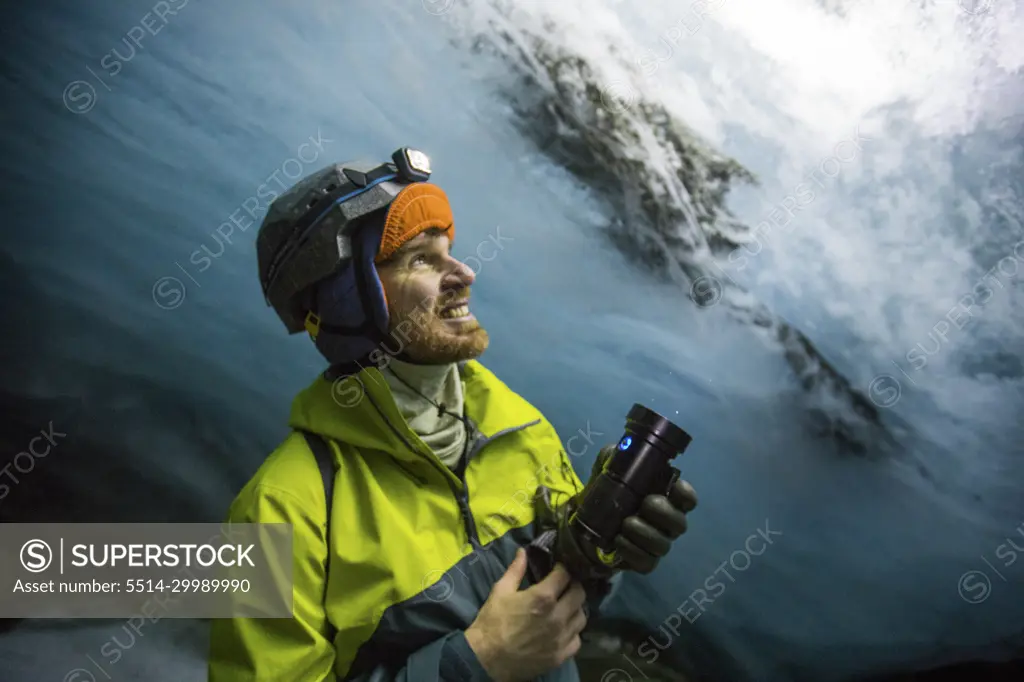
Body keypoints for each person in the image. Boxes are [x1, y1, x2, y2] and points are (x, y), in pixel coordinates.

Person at [207, 148, 698, 681]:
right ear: (349, 301)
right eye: (421, 258)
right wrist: (471, 666)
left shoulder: (520, 427)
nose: (463, 272)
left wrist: (598, 551)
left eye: (450, 250)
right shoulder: (280, 507)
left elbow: (557, 615)